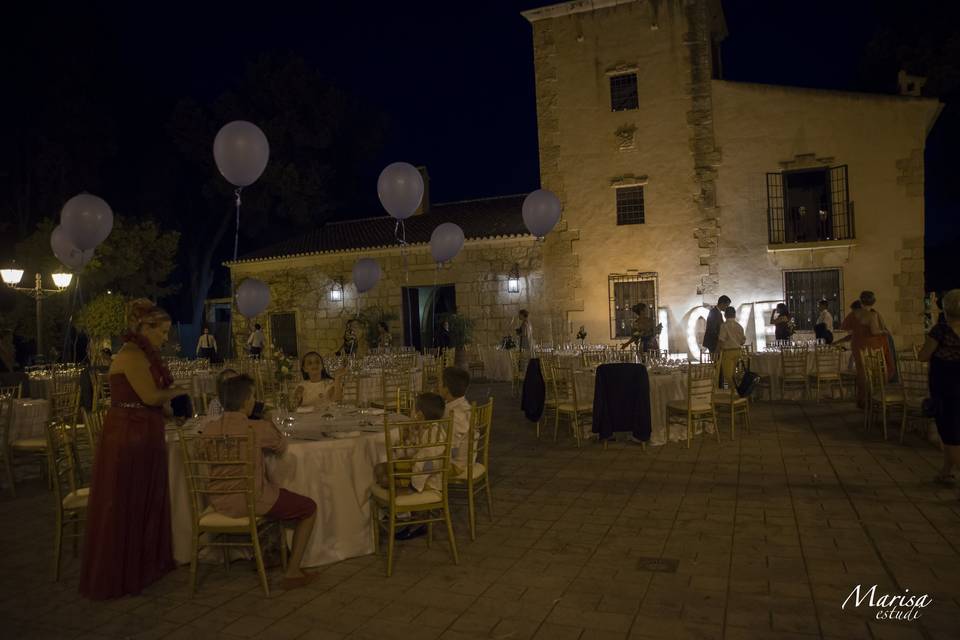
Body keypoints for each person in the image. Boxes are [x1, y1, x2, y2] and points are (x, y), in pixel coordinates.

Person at [80, 299, 186, 599]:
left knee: (144, 497)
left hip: (144, 429)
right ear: (144, 327)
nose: (165, 337)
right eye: (162, 331)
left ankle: (144, 564)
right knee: (127, 498)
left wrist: (172, 413)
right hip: (130, 433)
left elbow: (152, 402)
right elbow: (150, 396)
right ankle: (122, 572)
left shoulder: (144, 354)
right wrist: (182, 390)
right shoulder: (131, 354)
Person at [205, 375, 318, 589]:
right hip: (250, 498)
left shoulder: (208, 430)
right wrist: (268, 419)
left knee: (275, 494)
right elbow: (281, 446)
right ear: (248, 400)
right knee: (308, 508)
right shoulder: (256, 428)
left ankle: (271, 552)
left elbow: (201, 455)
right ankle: (293, 571)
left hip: (218, 500)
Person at [918, 290, 960, 486]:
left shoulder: (941, 331)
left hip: (947, 388)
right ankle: (946, 472)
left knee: (950, 433)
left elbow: (924, 355)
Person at [840, 290, 893, 408]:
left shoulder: (854, 313)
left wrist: (857, 330)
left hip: (857, 345)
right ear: (873, 301)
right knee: (874, 372)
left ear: (861, 300)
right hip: (871, 346)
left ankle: (861, 399)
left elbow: (844, 326)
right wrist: (885, 331)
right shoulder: (872, 314)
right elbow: (874, 331)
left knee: (861, 372)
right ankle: (871, 398)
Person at [441, 367, 472, 476]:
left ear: (447, 389)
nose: (436, 387)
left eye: (439, 383)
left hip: (455, 465)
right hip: (465, 459)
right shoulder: (464, 405)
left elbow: (453, 449)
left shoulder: (455, 415)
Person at [717, 306, 746, 388]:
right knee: (734, 374)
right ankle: (735, 392)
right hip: (738, 351)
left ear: (725, 315)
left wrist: (717, 350)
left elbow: (721, 340)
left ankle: (734, 391)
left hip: (727, 352)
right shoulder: (739, 326)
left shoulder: (724, 326)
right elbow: (742, 341)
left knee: (727, 375)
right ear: (734, 315)